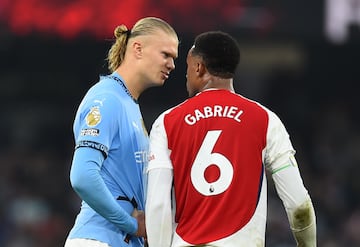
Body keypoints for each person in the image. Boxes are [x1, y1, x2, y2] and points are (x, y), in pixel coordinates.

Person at [145, 31, 316, 246]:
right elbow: (299, 205)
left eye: (187, 66)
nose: (186, 74)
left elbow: (158, 205)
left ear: (199, 67)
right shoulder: (265, 120)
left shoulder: (167, 123)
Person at [64, 17, 178, 247]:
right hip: (98, 240)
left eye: (173, 58)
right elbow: (83, 176)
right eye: (165, 55)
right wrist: (132, 225)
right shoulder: (106, 99)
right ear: (138, 48)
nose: (172, 65)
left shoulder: (127, 103)